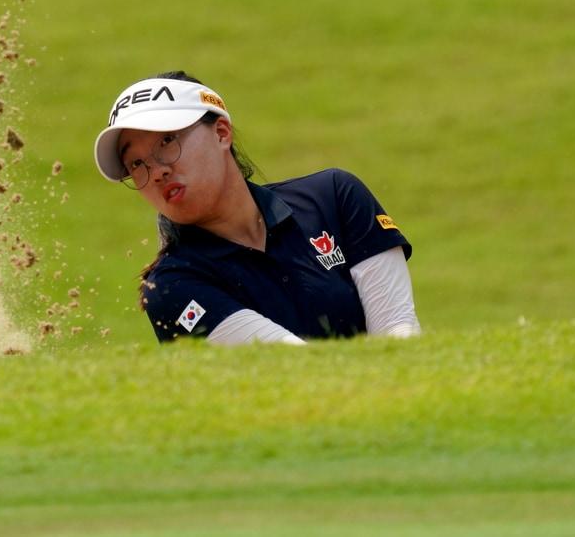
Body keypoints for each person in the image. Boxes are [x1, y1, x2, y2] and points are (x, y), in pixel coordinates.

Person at [93, 72, 421, 345]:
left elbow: (397, 329)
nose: (156, 171)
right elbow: (292, 365)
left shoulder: (333, 197)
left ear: (221, 133)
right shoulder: (170, 287)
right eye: (136, 163)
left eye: (167, 141)